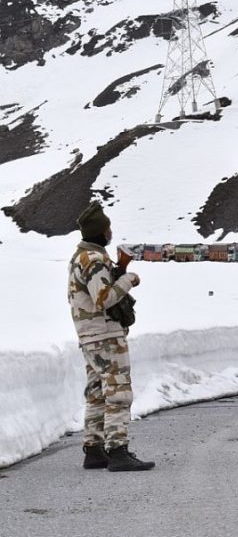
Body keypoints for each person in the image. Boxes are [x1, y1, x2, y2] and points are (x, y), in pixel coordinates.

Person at [68, 202, 154, 471]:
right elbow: (104, 298)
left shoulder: (82, 258)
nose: (110, 232)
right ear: (101, 232)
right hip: (105, 335)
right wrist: (129, 280)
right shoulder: (93, 260)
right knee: (118, 391)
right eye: (108, 228)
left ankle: (94, 449)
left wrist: (117, 271)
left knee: (97, 392)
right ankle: (118, 450)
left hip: (90, 336)